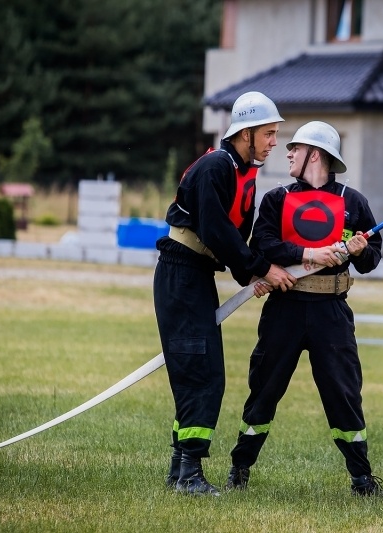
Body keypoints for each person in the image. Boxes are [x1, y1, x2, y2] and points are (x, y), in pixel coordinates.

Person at [225, 121, 383, 496]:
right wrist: (308, 253)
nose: (288, 153)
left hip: (332, 312)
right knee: (264, 390)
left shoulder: (354, 203)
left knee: (344, 394)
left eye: (295, 148)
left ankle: (362, 479)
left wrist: (362, 250)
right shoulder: (276, 199)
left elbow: (371, 259)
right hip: (285, 309)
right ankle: (239, 469)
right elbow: (263, 245)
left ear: (316, 155)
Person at [153, 91, 296, 496]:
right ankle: (189, 475)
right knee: (202, 373)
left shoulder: (243, 173)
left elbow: (235, 239)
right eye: (268, 134)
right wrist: (261, 268)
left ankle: (180, 470)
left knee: (198, 369)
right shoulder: (217, 167)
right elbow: (216, 230)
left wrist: (249, 276)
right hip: (181, 274)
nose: (274, 142)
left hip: (196, 275)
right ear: (245, 133)